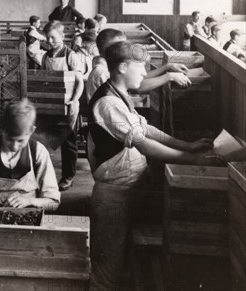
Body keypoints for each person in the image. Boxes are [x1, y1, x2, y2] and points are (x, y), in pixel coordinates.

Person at [87, 40, 216, 290]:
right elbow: (144, 145)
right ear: (123, 67)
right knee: (106, 272)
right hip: (113, 194)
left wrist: (186, 145)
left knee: (121, 263)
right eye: (141, 68)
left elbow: (145, 129)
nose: (146, 74)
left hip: (128, 187)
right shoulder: (107, 103)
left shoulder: (119, 93)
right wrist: (194, 160)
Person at [0, 99, 60, 209]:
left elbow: (53, 203)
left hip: (27, 218)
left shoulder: (38, 152)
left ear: (31, 131)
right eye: (9, 139)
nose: (14, 146)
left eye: (20, 141)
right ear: (2, 129)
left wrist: (29, 201)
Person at [86, 28, 191, 101]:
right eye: (121, 45)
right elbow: (137, 87)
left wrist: (166, 67)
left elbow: (140, 78)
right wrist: (169, 76)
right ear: (109, 48)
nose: (125, 48)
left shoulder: (107, 64)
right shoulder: (101, 72)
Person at [42, 22, 84, 191]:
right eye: (47, 37)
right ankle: (45, 177)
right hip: (52, 104)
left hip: (69, 104)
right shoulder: (46, 56)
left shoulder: (70, 55)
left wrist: (74, 100)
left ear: (62, 36)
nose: (50, 40)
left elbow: (79, 81)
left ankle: (68, 176)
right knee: (47, 140)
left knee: (68, 142)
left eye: (53, 37)